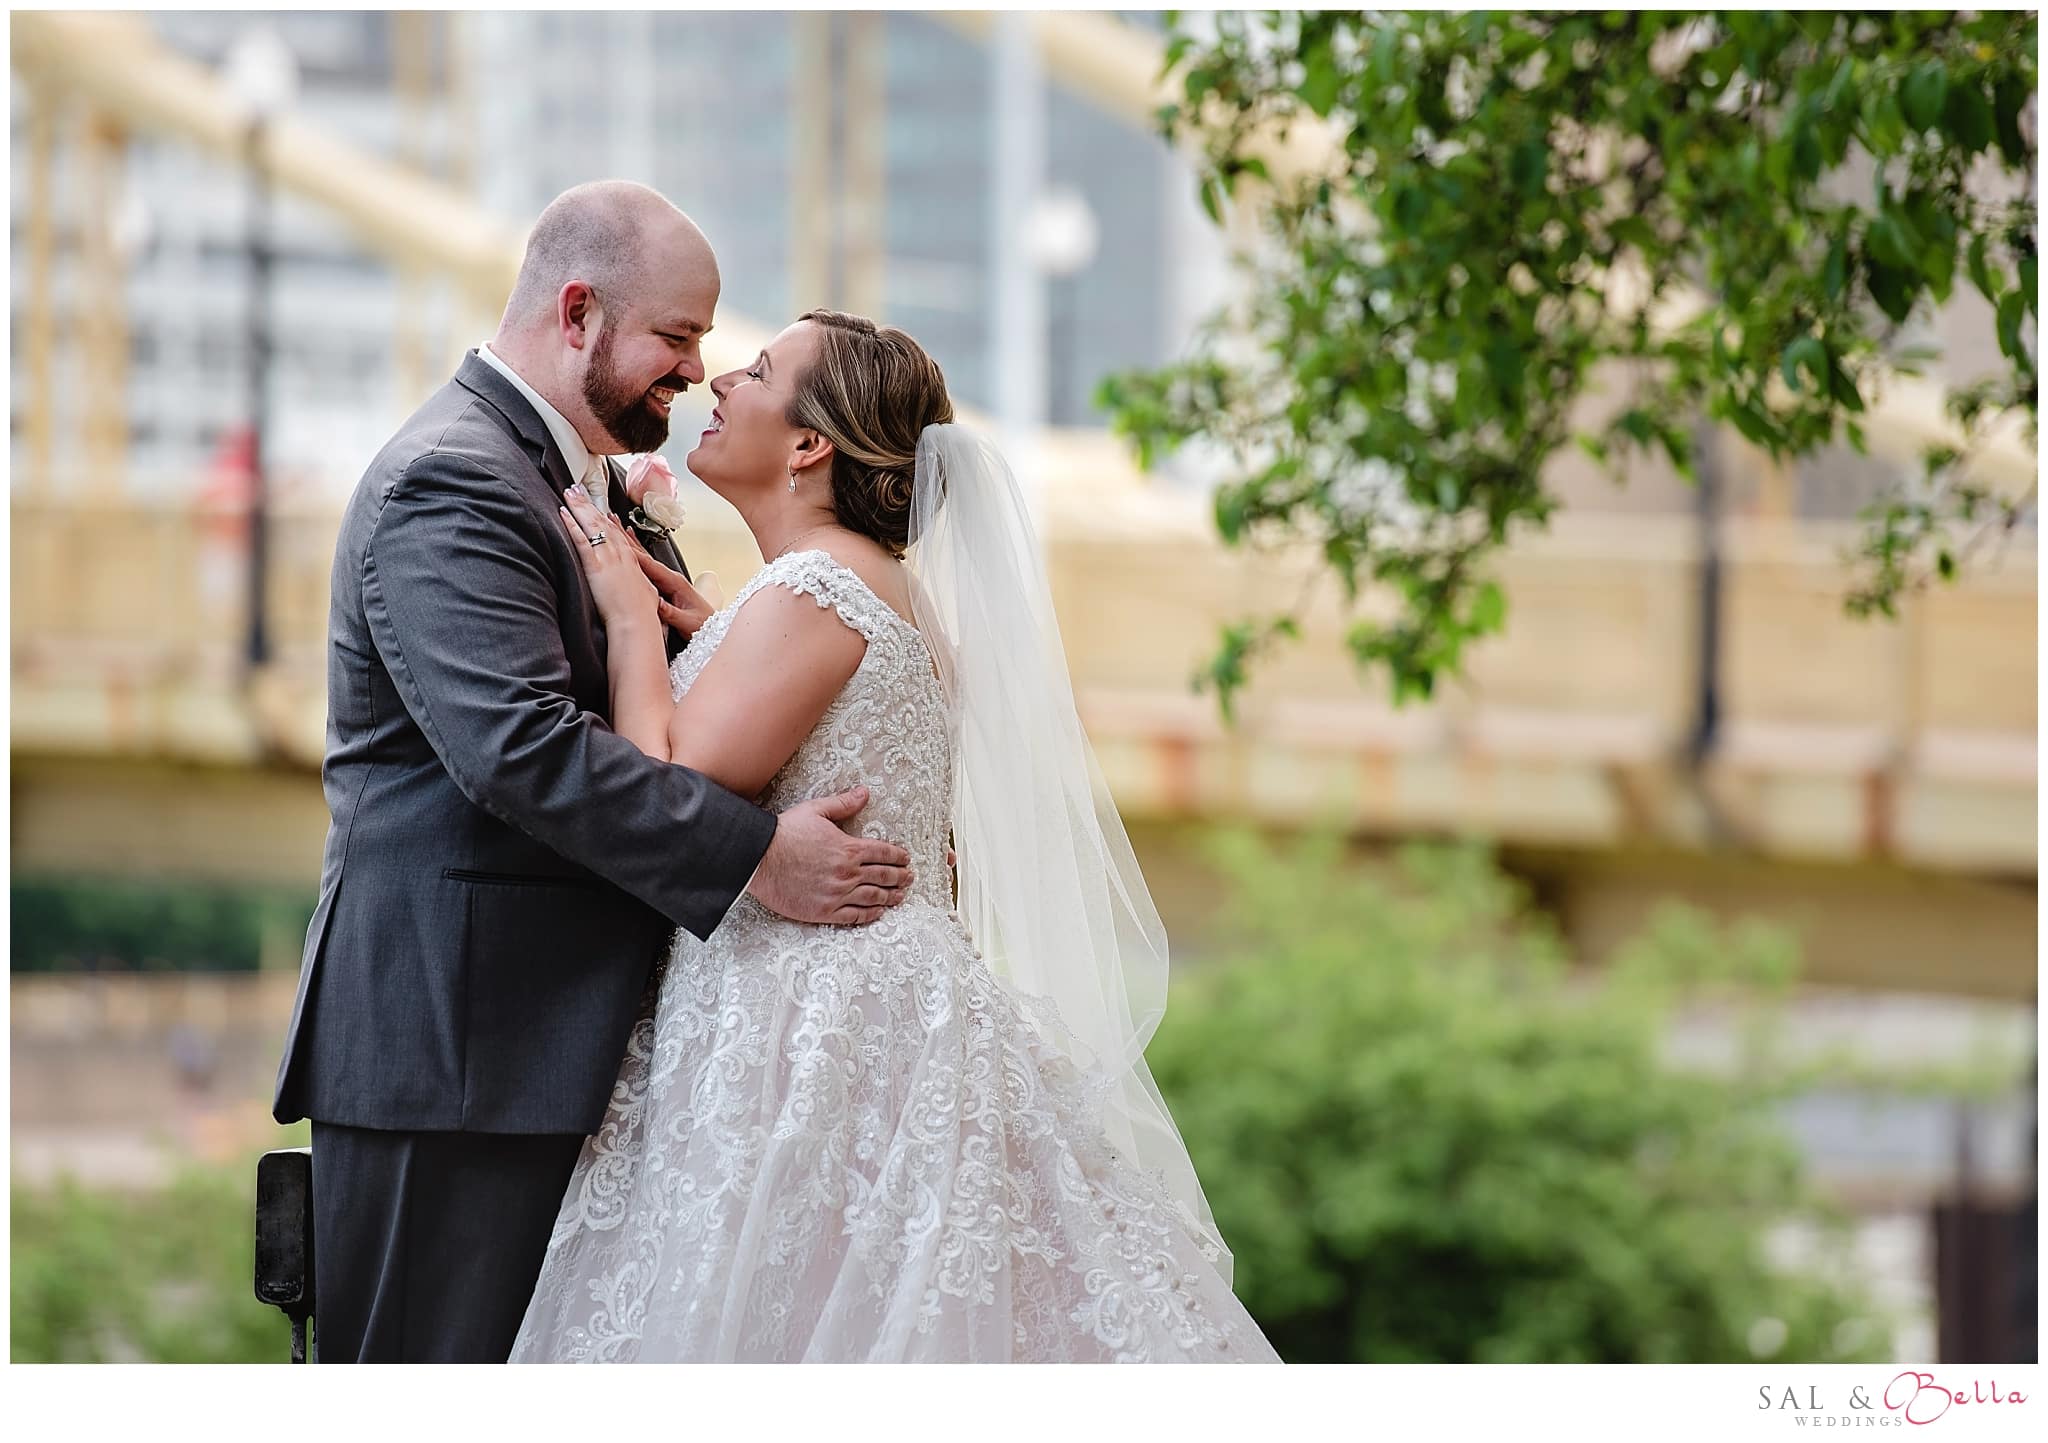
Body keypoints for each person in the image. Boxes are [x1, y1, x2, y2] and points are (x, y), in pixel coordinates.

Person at [510, 309, 1279, 1362]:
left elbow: (663, 783)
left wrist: (633, 623)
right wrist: (713, 637)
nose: (723, 382)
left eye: (761, 371)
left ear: (809, 444)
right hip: (890, 999)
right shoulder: (863, 591)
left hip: (807, 1013)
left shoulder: (811, 590)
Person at [271, 184, 915, 1364]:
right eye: (677, 336)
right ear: (578, 313)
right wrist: (761, 857)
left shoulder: (577, 477)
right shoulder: (454, 478)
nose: (697, 369)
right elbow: (518, 750)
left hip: (561, 1056)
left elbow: (675, 722)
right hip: (458, 1055)